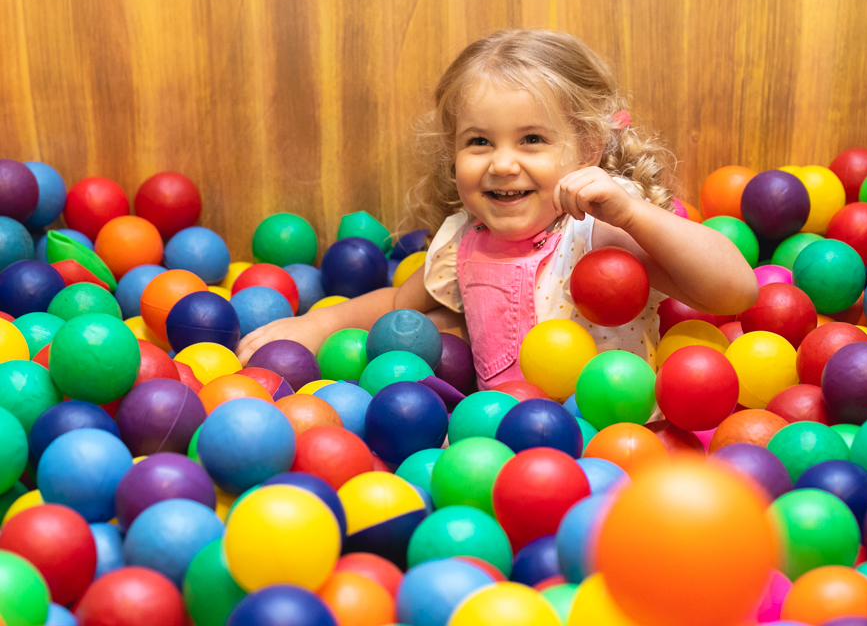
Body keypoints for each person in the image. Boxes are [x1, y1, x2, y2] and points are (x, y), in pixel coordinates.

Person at [238, 30, 757, 388]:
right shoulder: (461, 241)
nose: (502, 164)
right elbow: (400, 302)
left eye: (531, 139)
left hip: (611, 447)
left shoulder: (598, 231)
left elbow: (734, 290)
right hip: (496, 452)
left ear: (587, 148)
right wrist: (316, 326)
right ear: (453, 153)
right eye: (479, 142)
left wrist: (633, 214)